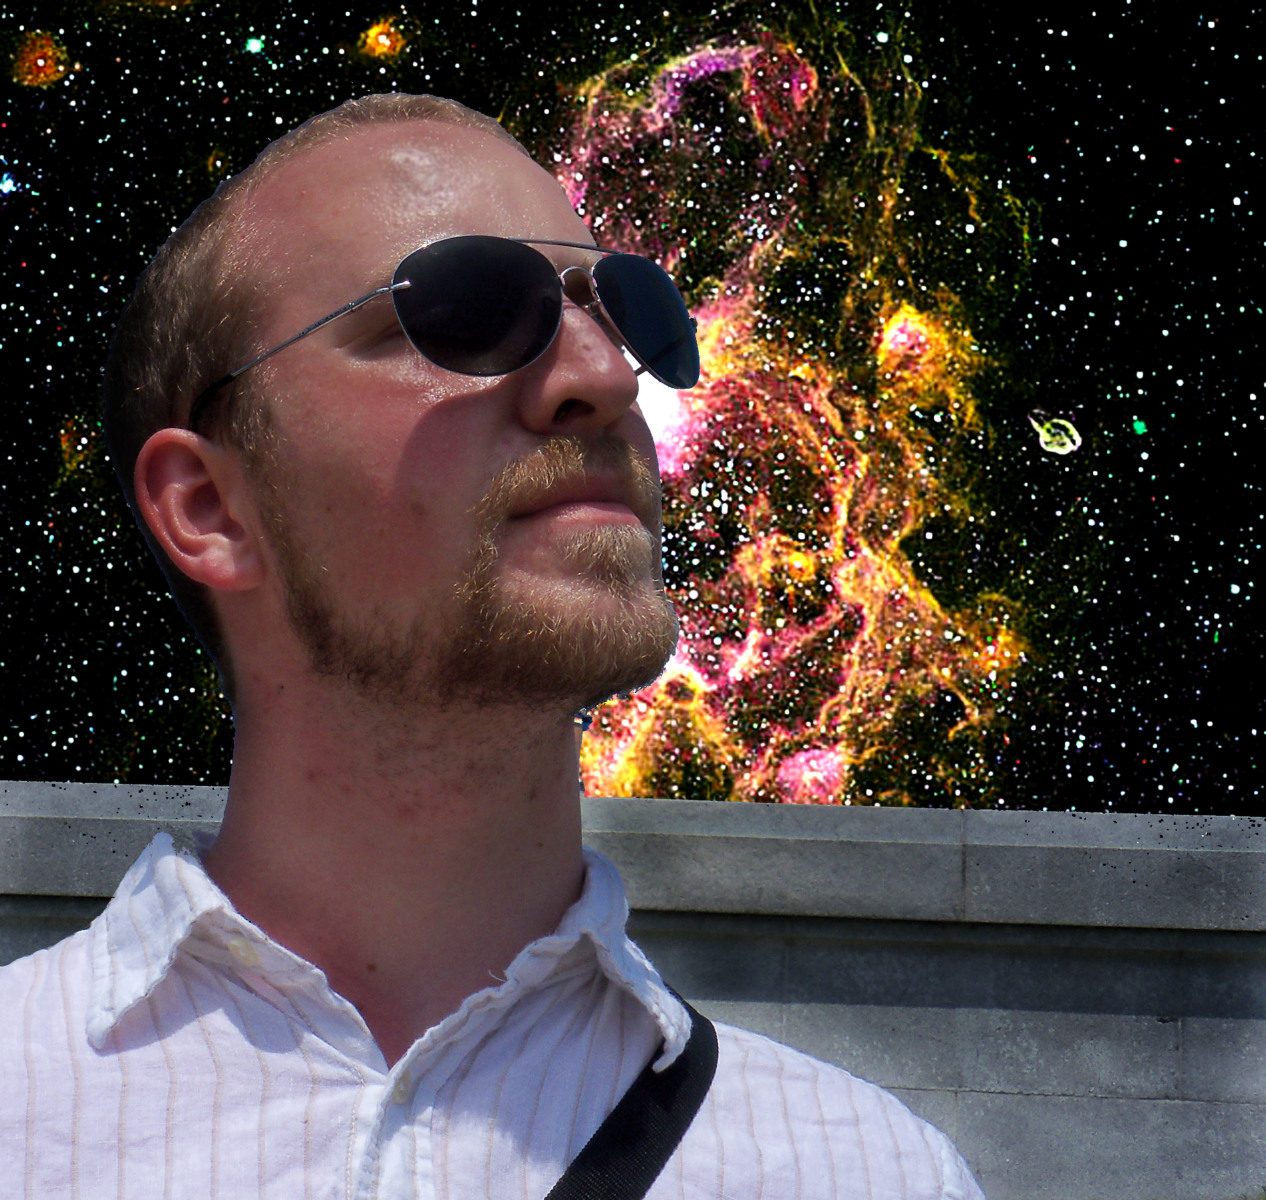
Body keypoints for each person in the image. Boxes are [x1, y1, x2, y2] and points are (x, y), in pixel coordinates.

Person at [0, 94, 985, 1199]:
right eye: (466, 307)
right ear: (210, 508)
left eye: (629, 310)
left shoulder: (865, 1173)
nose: (606, 377)